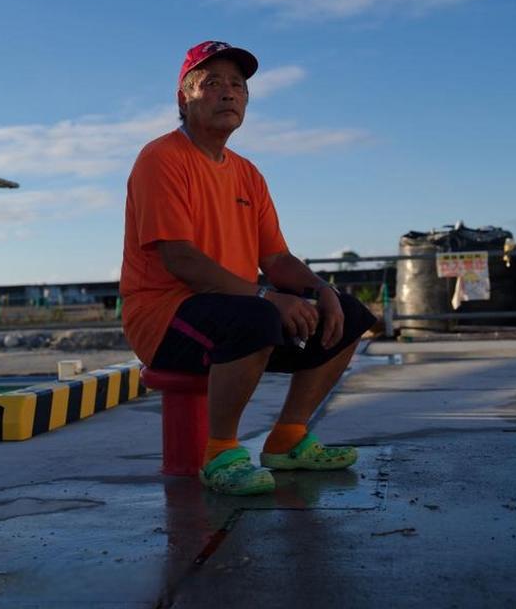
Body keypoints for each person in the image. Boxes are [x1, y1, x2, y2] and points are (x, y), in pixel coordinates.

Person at [120, 40, 375, 496]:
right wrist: (264, 297)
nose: (228, 93)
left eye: (237, 85)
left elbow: (275, 259)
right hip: (164, 317)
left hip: (232, 312)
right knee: (257, 315)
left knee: (350, 313)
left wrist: (322, 289)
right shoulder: (161, 158)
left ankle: (288, 439)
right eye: (212, 83)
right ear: (184, 98)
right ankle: (220, 453)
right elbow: (178, 257)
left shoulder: (248, 174)